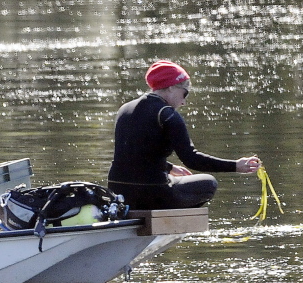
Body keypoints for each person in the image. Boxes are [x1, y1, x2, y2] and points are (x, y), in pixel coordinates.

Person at [108, 60, 261, 210]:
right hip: (152, 193)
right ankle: (167, 224)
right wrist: (235, 166)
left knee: (174, 180)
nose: (184, 102)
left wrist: (168, 167)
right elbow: (192, 159)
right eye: (184, 93)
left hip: (118, 193)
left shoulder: (125, 109)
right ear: (170, 88)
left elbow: (133, 155)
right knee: (209, 183)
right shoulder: (167, 115)